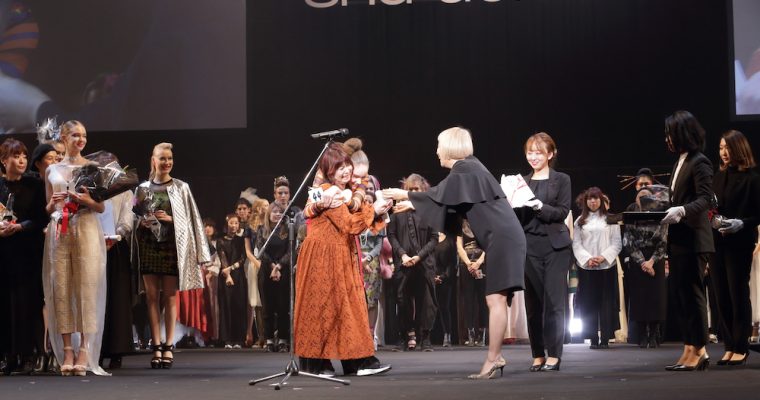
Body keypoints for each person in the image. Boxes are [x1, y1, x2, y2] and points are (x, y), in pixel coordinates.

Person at [383, 127, 526, 379]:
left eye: (439, 145)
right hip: (502, 237)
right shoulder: (470, 168)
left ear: (450, 146)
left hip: (503, 238)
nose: (437, 151)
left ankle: (494, 358)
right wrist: (413, 204)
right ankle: (495, 357)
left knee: (495, 299)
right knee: (495, 299)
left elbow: (441, 194)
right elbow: (452, 206)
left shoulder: (465, 168)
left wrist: (406, 194)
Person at [294, 142, 392, 377]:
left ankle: (356, 361)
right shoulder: (329, 192)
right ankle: (322, 363)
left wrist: (376, 209)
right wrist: (374, 211)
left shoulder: (347, 192)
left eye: (347, 166)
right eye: (340, 168)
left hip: (340, 254)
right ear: (329, 171)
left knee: (347, 306)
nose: (346, 171)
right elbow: (348, 224)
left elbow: (357, 215)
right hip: (322, 256)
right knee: (324, 307)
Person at [134, 142, 210, 369]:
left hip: (171, 247)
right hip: (148, 246)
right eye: (162, 158)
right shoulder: (142, 189)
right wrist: (142, 222)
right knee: (151, 297)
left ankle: (168, 345)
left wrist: (171, 219)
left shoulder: (181, 187)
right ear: (153, 160)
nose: (166, 162)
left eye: (170, 158)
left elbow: (192, 220)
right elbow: (133, 217)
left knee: (169, 296)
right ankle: (156, 345)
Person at [42, 120, 107, 376]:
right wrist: (54, 203)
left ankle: (84, 350)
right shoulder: (52, 170)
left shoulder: (92, 168)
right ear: (64, 137)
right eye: (76, 135)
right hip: (60, 229)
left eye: (84, 136)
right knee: (61, 286)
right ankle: (67, 349)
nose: (81, 140)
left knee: (86, 287)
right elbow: (48, 207)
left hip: (87, 227)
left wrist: (85, 199)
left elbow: (100, 207)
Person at [511, 132, 573, 372]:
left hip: (556, 247)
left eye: (538, 152)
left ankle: (555, 354)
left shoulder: (562, 179)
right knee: (533, 305)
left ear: (550, 154)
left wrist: (539, 206)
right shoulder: (521, 182)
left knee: (555, 303)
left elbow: (562, 212)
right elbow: (517, 218)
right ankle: (537, 354)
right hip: (529, 247)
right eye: (530, 152)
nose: (533, 157)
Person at [660, 110, 714, 371]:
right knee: (682, 297)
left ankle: (700, 350)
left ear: (682, 133)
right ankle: (689, 347)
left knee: (693, 296)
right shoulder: (679, 161)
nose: (667, 139)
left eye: (670, 133)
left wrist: (682, 210)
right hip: (679, 239)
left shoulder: (699, 161)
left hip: (694, 239)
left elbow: (705, 199)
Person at [710, 130, 760, 366]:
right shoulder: (718, 177)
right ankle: (729, 345)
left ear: (739, 149)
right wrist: (713, 220)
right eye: (721, 148)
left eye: (728, 147)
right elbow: (711, 208)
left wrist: (742, 223)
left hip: (739, 243)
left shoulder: (752, 179)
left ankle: (741, 346)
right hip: (718, 242)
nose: (723, 152)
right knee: (721, 295)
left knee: (737, 293)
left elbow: (758, 214)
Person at [0, 139, 47, 375]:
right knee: (4, 304)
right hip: (3, 253)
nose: (21, 160)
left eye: (24, 156)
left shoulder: (35, 184)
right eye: (16, 156)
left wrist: (21, 227)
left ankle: (28, 355)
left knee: (27, 303)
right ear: (3, 160)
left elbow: (42, 218)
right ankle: (7, 356)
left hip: (27, 251)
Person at [387, 173, 438, 351]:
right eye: (410, 189)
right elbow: (391, 235)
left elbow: (434, 238)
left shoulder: (429, 210)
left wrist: (419, 256)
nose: (413, 192)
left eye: (417, 189)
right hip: (404, 262)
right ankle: (405, 335)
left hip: (424, 263)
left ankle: (425, 338)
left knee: (426, 301)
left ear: (423, 190)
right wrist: (402, 255)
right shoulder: (397, 211)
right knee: (402, 299)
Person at [572, 187, 622, 349]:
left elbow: (617, 243)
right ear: (585, 201)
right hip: (587, 268)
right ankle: (593, 338)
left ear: (601, 200)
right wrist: (588, 259)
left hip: (607, 266)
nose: (593, 201)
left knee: (606, 302)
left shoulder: (611, 219)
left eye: (596, 198)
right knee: (589, 303)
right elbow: (576, 244)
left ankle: (605, 338)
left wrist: (603, 257)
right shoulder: (579, 221)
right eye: (590, 199)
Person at [623, 187, 669, 348]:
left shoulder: (660, 215)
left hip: (656, 259)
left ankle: (655, 332)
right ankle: (642, 334)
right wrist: (643, 262)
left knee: (656, 297)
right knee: (640, 298)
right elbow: (628, 241)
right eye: (640, 197)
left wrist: (651, 262)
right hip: (638, 260)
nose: (643, 199)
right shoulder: (631, 215)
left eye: (646, 196)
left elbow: (663, 241)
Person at [255, 203, 292, 352]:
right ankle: (269, 339)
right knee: (267, 308)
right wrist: (272, 266)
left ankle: (283, 339)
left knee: (283, 308)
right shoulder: (261, 230)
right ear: (268, 214)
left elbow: (290, 251)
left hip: (283, 271)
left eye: (280, 212)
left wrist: (279, 266)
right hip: (266, 272)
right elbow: (261, 250)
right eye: (274, 212)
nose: (277, 214)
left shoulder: (288, 230)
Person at [216, 214, 248, 349]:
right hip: (225, 276)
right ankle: (227, 339)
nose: (234, 226)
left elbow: (243, 258)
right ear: (226, 224)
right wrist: (227, 274)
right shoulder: (220, 240)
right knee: (226, 306)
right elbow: (222, 257)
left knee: (239, 306)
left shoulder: (241, 240)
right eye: (231, 223)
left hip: (238, 276)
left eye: (236, 223)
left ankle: (239, 339)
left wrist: (231, 269)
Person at [457, 219, 488, 347]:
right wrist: (469, 264)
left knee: (482, 300)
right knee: (468, 300)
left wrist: (479, 262)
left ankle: (482, 334)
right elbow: (459, 247)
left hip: (482, 264)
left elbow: (488, 245)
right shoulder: (460, 224)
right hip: (466, 264)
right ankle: (470, 333)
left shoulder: (483, 222)